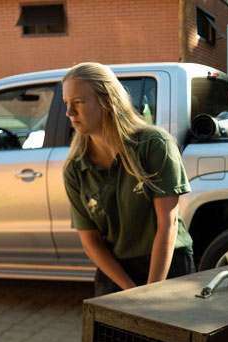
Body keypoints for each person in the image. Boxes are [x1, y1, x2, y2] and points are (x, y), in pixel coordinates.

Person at [61, 62, 195, 296]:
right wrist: (131, 291)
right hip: (116, 273)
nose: (69, 112)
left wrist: (151, 293)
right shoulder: (75, 168)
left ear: (107, 101)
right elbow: (91, 241)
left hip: (168, 263)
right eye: (67, 103)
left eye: (79, 102)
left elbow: (168, 223)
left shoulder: (154, 145)